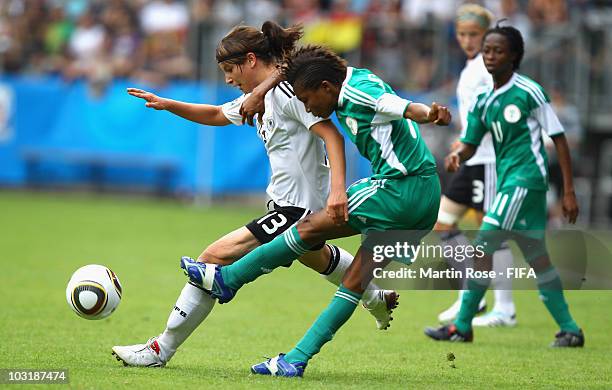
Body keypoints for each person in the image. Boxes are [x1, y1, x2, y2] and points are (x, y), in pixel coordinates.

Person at [111, 21, 398, 368]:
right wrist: (167, 103)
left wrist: (338, 190)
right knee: (316, 256)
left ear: (250, 60)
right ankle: (375, 296)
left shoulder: (289, 94)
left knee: (211, 259)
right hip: (286, 204)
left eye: (230, 70)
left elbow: (332, 137)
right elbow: (218, 113)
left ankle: (160, 349)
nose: (228, 79)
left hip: (298, 209)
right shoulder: (257, 97)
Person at [181, 45, 451, 377]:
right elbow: (290, 65)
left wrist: (429, 113)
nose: (308, 107)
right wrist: (261, 90)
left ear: (325, 88)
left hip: (399, 187)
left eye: (308, 99)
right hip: (425, 197)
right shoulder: (339, 78)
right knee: (354, 283)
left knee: (307, 230)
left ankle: (230, 279)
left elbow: (398, 106)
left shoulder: (358, 91)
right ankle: (295, 359)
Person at [424, 24, 584, 347]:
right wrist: (458, 155)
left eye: (498, 51)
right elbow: (470, 142)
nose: (491, 56)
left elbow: (559, 139)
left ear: (514, 56)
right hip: (510, 181)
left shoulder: (529, 91)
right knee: (537, 257)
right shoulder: (485, 100)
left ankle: (461, 326)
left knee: (483, 244)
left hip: (526, 181)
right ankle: (570, 330)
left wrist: (568, 191)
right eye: (487, 51)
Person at [436, 4, 517, 327]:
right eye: (463, 34)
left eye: (475, 35)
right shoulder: (472, 68)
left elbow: (495, 110)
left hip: (488, 160)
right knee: (443, 223)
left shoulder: (488, 69)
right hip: (472, 159)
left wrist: (468, 139)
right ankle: (474, 291)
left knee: (492, 231)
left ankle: (505, 308)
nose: (468, 40)